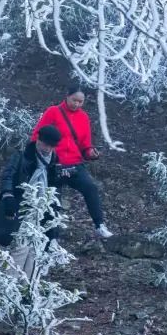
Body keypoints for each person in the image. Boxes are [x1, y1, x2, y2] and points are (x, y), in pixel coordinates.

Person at [31, 86, 113, 238]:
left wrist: (91, 153)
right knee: (53, 200)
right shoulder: (53, 112)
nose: (77, 104)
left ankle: (99, 225)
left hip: (75, 163)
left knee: (91, 188)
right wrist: (43, 156)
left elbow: (85, 145)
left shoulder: (83, 117)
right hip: (54, 164)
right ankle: (51, 238)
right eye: (74, 100)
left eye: (80, 102)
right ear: (67, 96)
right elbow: (37, 135)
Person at [0, 124, 63, 279]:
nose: (47, 149)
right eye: (46, 144)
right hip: (22, 208)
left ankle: (27, 291)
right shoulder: (22, 156)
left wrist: (54, 225)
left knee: (36, 250)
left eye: (51, 146)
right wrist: (8, 196)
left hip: (42, 212)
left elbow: (56, 194)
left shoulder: (55, 163)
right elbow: (8, 176)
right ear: (38, 140)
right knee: (20, 248)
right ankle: (9, 286)